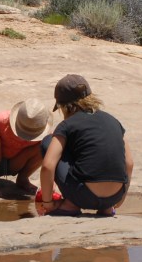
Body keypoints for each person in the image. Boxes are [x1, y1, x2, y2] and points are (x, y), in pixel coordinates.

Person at [37, 74, 134, 217]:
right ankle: (107, 209)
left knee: (48, 141)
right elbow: (129, 163)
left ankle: (70, 205)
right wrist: (120, 198)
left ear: (64, 106)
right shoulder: (113, 121)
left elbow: (47, 166)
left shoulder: (67, 125)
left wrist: (48, 203)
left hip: (82, 195)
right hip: (114, 196)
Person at [0, 98, 53, 196]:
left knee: (48, 144)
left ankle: (23, 179)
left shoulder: (44, 132)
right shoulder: (2, 119)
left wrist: (51, 183)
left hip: (15, 164)